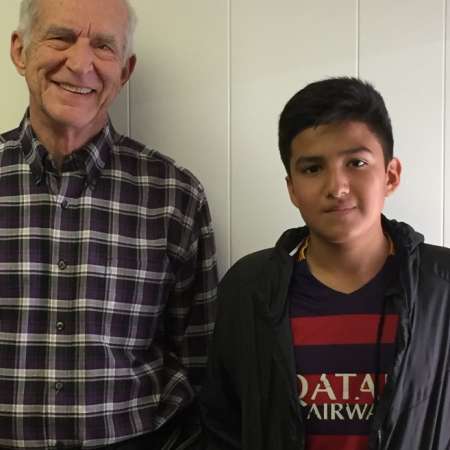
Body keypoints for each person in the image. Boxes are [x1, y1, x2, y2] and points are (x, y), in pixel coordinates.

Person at [1, 0, 217, 449]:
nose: (80, 64)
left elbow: (201, 360)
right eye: (60, 37)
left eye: (103, 46)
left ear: (125, 69)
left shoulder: (175, 196)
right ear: (20, 51)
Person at [199, 77, 450, 450]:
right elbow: (222, 425)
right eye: (313, 169)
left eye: (357, 162)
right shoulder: (249, 288)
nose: (337, 186)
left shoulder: (442, 286)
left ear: (391, 175)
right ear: (292, 188)